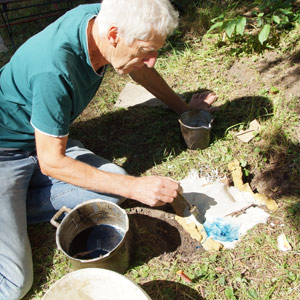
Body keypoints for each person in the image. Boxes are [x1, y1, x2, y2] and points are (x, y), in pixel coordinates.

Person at [0, 0, 217, 299]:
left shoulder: (107, 19)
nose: (152, 60)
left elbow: (140, 69)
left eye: (156, 51)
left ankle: (12, 204)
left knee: (113, 188)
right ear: (113, 35)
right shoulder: (53, 71)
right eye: (145, 51)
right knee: (13, 286)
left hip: (39, 140)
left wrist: (183, 109)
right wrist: (136, 186)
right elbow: (52, 161)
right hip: (6, 153)